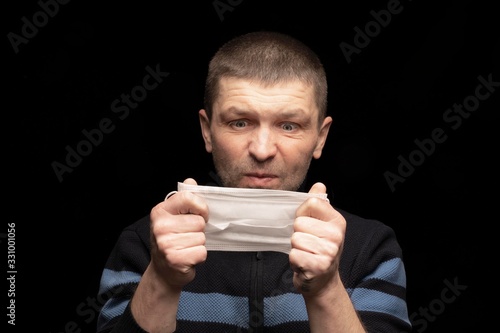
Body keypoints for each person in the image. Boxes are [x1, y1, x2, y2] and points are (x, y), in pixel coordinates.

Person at [96, 31, 412, 333]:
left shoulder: (370, 248)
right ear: (207, 131)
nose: (262, 150)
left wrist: (327, 288)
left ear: (320, 137)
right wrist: (162, 280)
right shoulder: (143, 244)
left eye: (289, 126)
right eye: (240, 122)